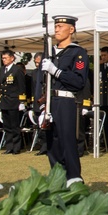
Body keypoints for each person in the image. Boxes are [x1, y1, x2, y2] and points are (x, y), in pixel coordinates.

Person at [40, 15, 90, 184]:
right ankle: (57, 179)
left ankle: (74, 178)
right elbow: (40, 82)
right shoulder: (49, 53)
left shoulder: (78, 52)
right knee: (52, 144)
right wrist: (38, 108)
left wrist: (56, 71)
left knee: (67, 142)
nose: (57, 29)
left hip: (66, 102)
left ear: (71, 29)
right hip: (49, 102)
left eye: (61, 26)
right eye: (56, 25)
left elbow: (78, 81)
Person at [0, 49, 26, 154]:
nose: (4, 60)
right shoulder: (2, 69)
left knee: (14, 126)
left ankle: (16, 147)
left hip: (14, 101)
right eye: (2, 58)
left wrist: (22, 101)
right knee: (7, 126)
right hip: (5, 101)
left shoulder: (17, 70)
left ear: (12, 58)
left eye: (5, 58)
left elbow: (21, 86)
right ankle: (9, 146)